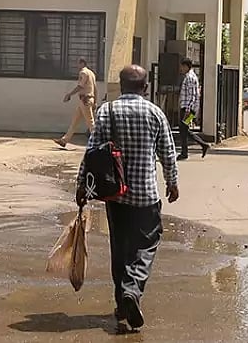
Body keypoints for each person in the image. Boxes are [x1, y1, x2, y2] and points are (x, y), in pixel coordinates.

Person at [76, 65, 179, 334]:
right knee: (146, 245)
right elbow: (168, 153)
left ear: (121, 86)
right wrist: (172, 182)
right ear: (145, 87)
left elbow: (92, 152)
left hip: (115, 194)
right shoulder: (155, 113)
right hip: (145, 195)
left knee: (120, 249)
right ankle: (131, 292)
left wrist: (81, 186)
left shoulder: (107, 111)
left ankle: (123, 303)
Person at [54, 58, 97, 148]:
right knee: (75, 121)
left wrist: (69, 94)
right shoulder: (91, 73)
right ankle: (64, 140)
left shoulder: (83, 73)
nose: (77, 65)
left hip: (85, 99)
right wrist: (95, 101)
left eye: (78, 63)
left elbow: (80, 86)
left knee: (90, 122)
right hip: (88, 99)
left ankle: (98, 141)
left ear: (82, 63)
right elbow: (95, 88)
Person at [177, 58, 210, 160]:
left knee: (183, 128)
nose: (181, 68)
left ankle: (185, 152)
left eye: (182, 66)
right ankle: (202, 145)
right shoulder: (189, 77)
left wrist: (188, 109)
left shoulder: (190, 78)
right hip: (188, 107)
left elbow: (192, 95)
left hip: (188, 108)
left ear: (187, 66)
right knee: (184, 129)